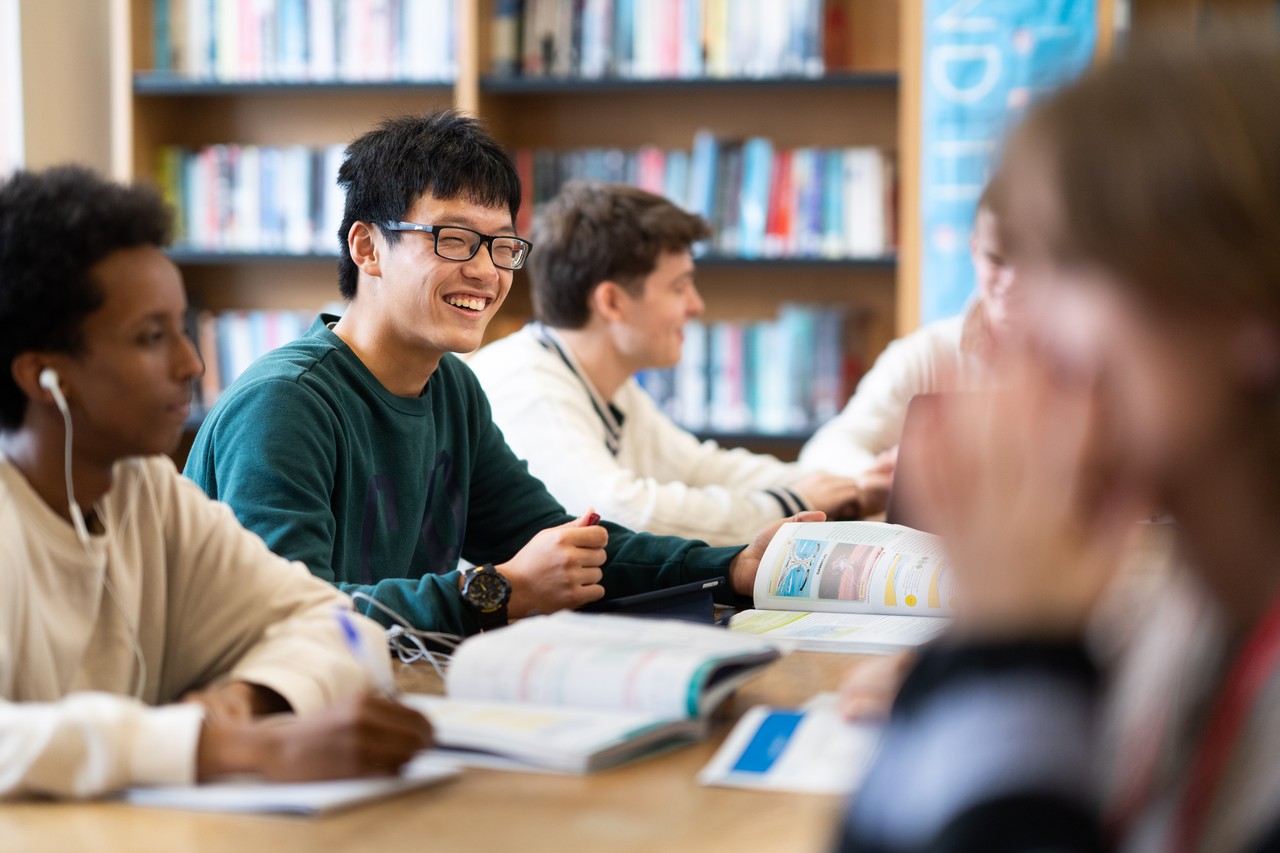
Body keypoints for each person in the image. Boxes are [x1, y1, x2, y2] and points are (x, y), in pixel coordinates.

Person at [837, 37, 1280, 852]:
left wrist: (1013, 658)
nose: (1023, 329)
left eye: (1069, 262)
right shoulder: (1190, 613)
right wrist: (978, 660)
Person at [184, 112, 816, 636]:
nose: (486, 272)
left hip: (390, 695)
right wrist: (495, 591)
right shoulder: (286, 404)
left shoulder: (452, 388)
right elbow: (292, 614)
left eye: (502, 245)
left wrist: (734, 566)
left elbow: (564, 543)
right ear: (367, 248)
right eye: (454, 240)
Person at [0, 166, 432, 800]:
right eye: (151, 337)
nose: (191, 364)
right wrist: (233, 747)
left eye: (183, 326)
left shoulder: (148, 492)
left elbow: (338, 624)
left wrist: (247, 700)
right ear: (45, 377)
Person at [466, 181, 863, 546]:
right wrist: (791, 502)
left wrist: (843, 486)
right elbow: (619, 514)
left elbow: (699, 468)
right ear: (612, 302)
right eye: (679, 287)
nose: (696, 305)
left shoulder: (608, 383)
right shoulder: (528, 384)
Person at [798, 177, 1020, 498]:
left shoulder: (1099, 357)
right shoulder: (928, 353)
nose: (1012, 281)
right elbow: (824, 451)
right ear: (974, 250)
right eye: (997, 261)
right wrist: (885, 472)